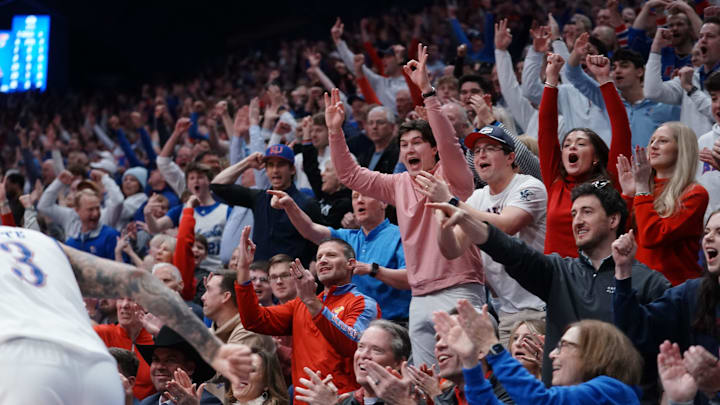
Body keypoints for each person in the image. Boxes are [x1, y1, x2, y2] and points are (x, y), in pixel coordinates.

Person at [427, 181, 670, 397]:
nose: (577, 220)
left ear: (613, 220)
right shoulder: (559, 271)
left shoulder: (649, 283)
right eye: (574, 213)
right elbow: (510, 251)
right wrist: (466, 221)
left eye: (587, 212)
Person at [326, 43, 485, 368]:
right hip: (419, 296)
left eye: (417, 143)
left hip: (460, 289)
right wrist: (334, 131)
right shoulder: (398, 184)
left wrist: (427, 91)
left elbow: (448, 141)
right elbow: (350, 175)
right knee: (428, 383)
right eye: (404, 145)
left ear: (433, 150)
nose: (409, 149)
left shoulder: (454, 175)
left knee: (468, 374)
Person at [0, 225, 254, 404]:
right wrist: (213, 350)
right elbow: (138, 281)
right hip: (96, 369)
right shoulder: (37, 241)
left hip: (21, 363)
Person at [424, 125, 547, 344]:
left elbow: (506, 226)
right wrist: (440, 216)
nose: (481, 154)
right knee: (511, 378)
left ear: (510, 157)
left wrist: (453, 202)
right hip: (507, 311)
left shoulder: (530, 186)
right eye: (477, 150)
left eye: (490, 148)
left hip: (540, 306)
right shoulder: (476, 199)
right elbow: (452, 250)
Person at [234, 226, 380, 398]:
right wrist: (243, 269)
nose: (323, 260)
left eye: (331, 255)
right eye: (319, 257)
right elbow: (254, 320)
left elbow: (351, 344)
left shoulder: (363, 303)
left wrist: (311, 301)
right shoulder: (300, 304)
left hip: (341, 401)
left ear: (351, 264)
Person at [433, 300, 644, 404]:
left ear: (596, 353)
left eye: (565, 346)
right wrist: (470, 362)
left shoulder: (612, 390)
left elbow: (539, 401)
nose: (552, 354)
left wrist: (492, 346)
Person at [612, 211, 720, 404]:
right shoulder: (692, 294)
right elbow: (635, 330)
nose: (709, 238)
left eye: (719, 232)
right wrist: (623, 270)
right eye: (707, 232)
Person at [538, 52, 631, 258]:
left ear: (596, 157)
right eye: (567, 144)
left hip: (597, 276)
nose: (571, 148)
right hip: (556, 278)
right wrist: (551, 79)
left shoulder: (608, 186)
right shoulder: (555, 182)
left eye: (581, 144)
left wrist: (605, 80)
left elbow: (622, 129)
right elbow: (546, 128)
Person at [268, 188, 411, 321]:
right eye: (355, 197)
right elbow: (310, 229)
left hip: (392, 324)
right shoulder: (346, 237)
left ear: (384, 202)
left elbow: (411, 279)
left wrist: (373, 269)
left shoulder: (400, 235)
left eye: (365, 195)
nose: (359, 201)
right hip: (350, 323)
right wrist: (290, 206)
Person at [616, 123, 709, 285]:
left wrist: (642, 189)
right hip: (638, 284)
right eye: (652, 141)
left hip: (674, 289)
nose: (653, 146)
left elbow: (653, 237)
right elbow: (617, 235)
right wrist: (629, 194)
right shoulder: (642, 190)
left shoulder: (695, 194)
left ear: (682, 149)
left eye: (663, 141)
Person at [210, 146, 322, 266]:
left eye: (280, 165)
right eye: (270, 165)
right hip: (260, 276)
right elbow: (217, 186)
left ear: (292, 170)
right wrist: (247, 163)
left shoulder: (307, 203)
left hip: (292, 275)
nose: (275, 170)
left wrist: (315, 262)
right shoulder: (258, 198)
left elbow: (321, 239)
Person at [295, 319, 413, 405]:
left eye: (376, 350)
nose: (363, 355)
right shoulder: (344, 401)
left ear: (399, 363)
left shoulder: (413, 401)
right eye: (361, 347)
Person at [137, 327, 222, 405]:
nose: (160, 367)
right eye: (156, 360)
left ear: (189, 368)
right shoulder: (147, 402)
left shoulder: (207, 402)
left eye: (170, 360)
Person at [65, 188, 120, 260]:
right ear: (77, 210)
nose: (95, 214)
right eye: (90, 209)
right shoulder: (70, 243)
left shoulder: (111, 236)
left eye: (97, 208)